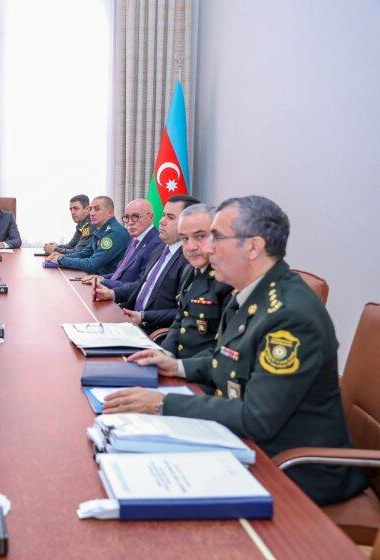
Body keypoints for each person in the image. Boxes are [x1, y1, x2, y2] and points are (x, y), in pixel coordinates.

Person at [103, 196, 368, 506]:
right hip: (248, 445)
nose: (207, 247)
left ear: (253, 247)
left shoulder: (289, 315)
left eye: (216, 237)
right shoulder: (250, 295)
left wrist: (162, 402)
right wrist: (177, 367)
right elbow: (230, 361)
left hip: (293, 468)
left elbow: (257, 418)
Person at [93, 195, 198, 333]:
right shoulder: (161, 248)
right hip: (131, 318)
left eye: (171, 217)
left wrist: (143, 316)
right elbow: (142, 285)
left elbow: (183, 312)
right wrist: (112, 294)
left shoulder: (188, 260)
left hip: (152, 330)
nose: (161, 221)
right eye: (163, 215)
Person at [160, 203, 233, 358]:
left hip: (204, 368)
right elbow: (180, 320)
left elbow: (227, 347)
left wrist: (178, 366)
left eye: (200, 236)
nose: (190, 247)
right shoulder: (190, 269)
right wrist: (165, 353)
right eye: (184, 239)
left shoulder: (229, 278)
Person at [81, 197, 161, 288]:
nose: (130, 222)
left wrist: (105, 282)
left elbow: (140, 286)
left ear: (151, 217)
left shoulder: (156, 244)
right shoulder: (135, 239)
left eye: (135, 216)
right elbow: (120, 274)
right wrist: (100, 278)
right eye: (127, 217)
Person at [49, 196, 129, 275]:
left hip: (108, 281)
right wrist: (63, 256)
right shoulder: (100, 230)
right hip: (97, 278)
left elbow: (92, 265)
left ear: (110, 212)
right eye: (90, 209)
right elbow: (84, 254)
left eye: (97, 209)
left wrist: (61, 259)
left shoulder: (114, 233)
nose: (92, 213)